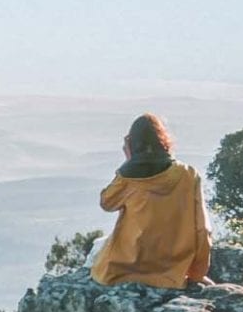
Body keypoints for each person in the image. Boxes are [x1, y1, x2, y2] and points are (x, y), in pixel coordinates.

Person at [90, 113, 211, 288]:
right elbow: (203, 229)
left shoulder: (127, 178)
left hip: (127, 266)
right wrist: (197, 273)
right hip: (172, 268)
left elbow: (107, 203)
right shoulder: (188, 174)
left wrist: (130, 162)